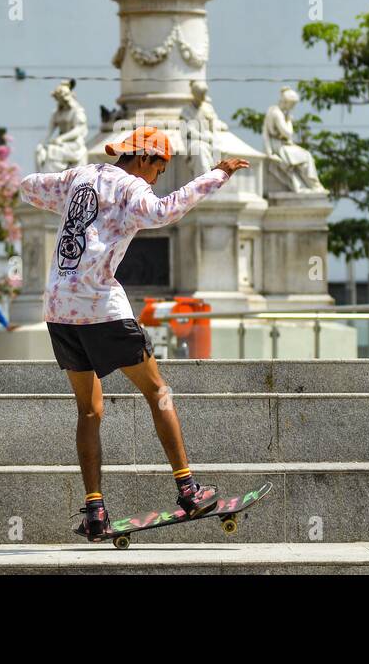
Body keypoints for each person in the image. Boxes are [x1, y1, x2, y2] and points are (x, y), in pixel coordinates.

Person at [18, 125, 249, 541]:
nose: (156, 180)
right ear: (143, 159)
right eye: (158, 170)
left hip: (58, 309)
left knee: (89, 411)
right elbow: (166, 211)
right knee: (158, 392)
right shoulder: (130, 189)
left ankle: (95, 512)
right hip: (100, 308)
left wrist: (76, 210)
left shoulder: (78, 177)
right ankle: (189, 490)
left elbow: (28, 187)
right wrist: (217, 174)